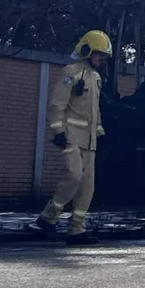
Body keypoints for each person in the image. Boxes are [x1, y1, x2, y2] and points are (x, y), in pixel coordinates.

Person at [33, 30, 112, 245]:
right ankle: (47, 218)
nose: (100, 60)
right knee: (74, 176)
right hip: (70, 137)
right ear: (86, 51)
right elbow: (56, 105)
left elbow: (95, 112)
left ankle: (77, 230)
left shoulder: (96, 78)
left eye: (103, 56)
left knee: (88, 186)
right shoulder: (71, 72)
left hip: (90, 141)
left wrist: (100, 134)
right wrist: (57, 131)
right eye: (98, 55)